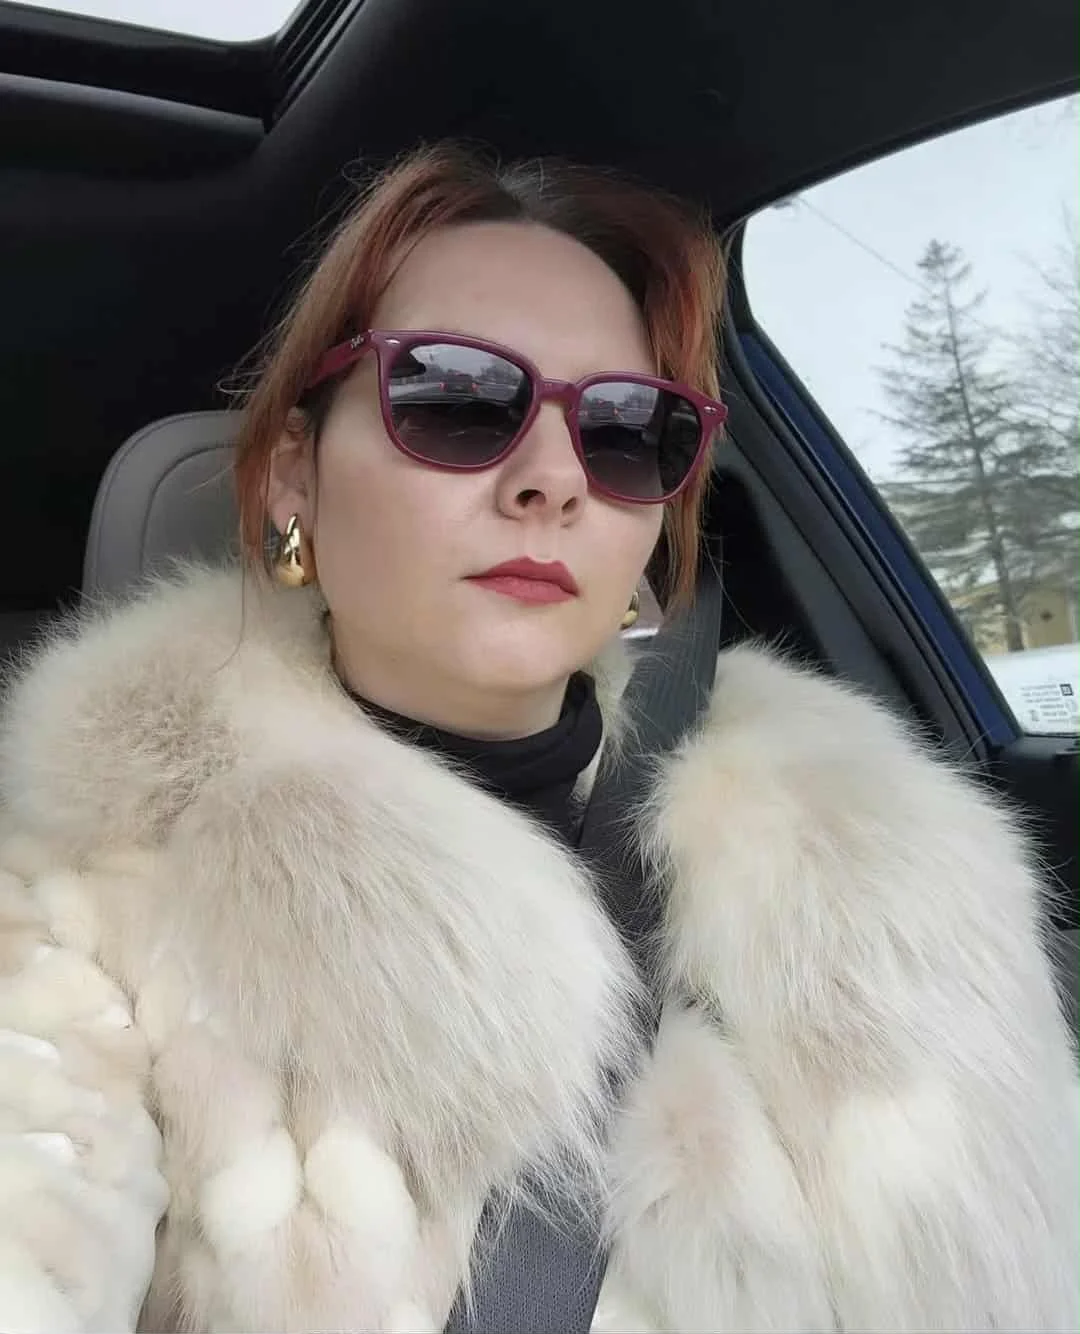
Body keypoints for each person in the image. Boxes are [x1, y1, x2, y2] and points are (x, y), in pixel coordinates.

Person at [0, 142, 1075, 1334]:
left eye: (628, 429)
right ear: (292, 477)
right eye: (456, 396)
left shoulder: (893, 865)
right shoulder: (80, 903)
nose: (555, 476)